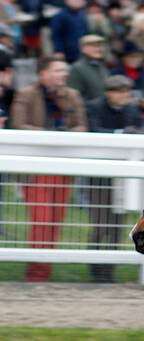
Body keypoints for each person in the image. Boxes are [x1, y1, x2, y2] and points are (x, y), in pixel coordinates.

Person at [10, 55, 87, 282]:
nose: (64, 74)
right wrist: (53, 136)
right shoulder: (26, 95)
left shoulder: (72, 95)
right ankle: (36, 274)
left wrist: (66, 136)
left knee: (55, 222)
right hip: (36, 169)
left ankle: (44, 273)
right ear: (43, 74)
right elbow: (18, 125)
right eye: (58, 70)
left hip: (64, 169)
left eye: (65, 70)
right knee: (42, 221)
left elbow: (82, 126)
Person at [85, 75, 144, 282]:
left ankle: (109, 271)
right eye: (120, 92)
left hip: (123, 174)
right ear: (109, 93)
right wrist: (122, 132)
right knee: (101, 222)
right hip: (100, 174)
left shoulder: (131, 108)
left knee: (117, 223)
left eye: (126, 92)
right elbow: (94, 130)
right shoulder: (94, 106)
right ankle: (94, 266)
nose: (125, 96)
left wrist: (137, 132)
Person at [68, 34, 109, 102]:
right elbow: (74, 94)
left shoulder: (101, 66)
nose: (98, 49)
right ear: (83, 49)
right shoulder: (77, 68)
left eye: (100, 46)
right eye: (94, 46)